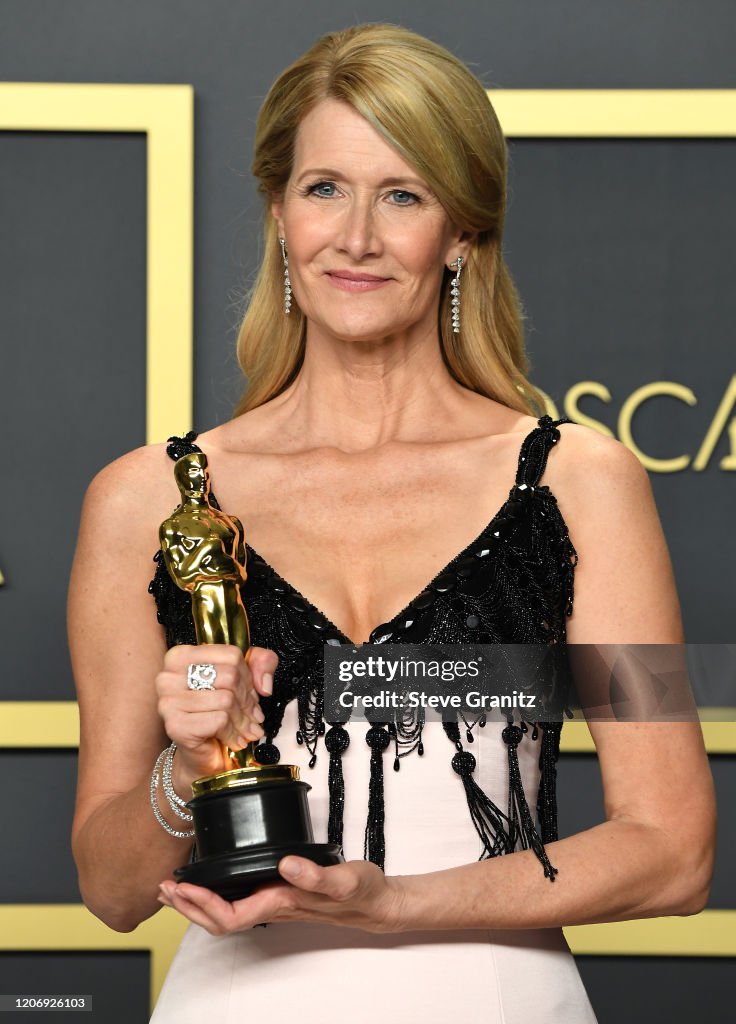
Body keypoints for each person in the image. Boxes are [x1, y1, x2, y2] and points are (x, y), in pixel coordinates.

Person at [68, 23, 716, 1024]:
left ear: (460, 231)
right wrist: (184, 768)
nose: (357, 236)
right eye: (324, 188)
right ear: (280, 215)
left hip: (501, 999)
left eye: (402, 194)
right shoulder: (144, 499)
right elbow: (110, 890)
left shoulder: (584, 483)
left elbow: (674, 850)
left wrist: (391, 902)